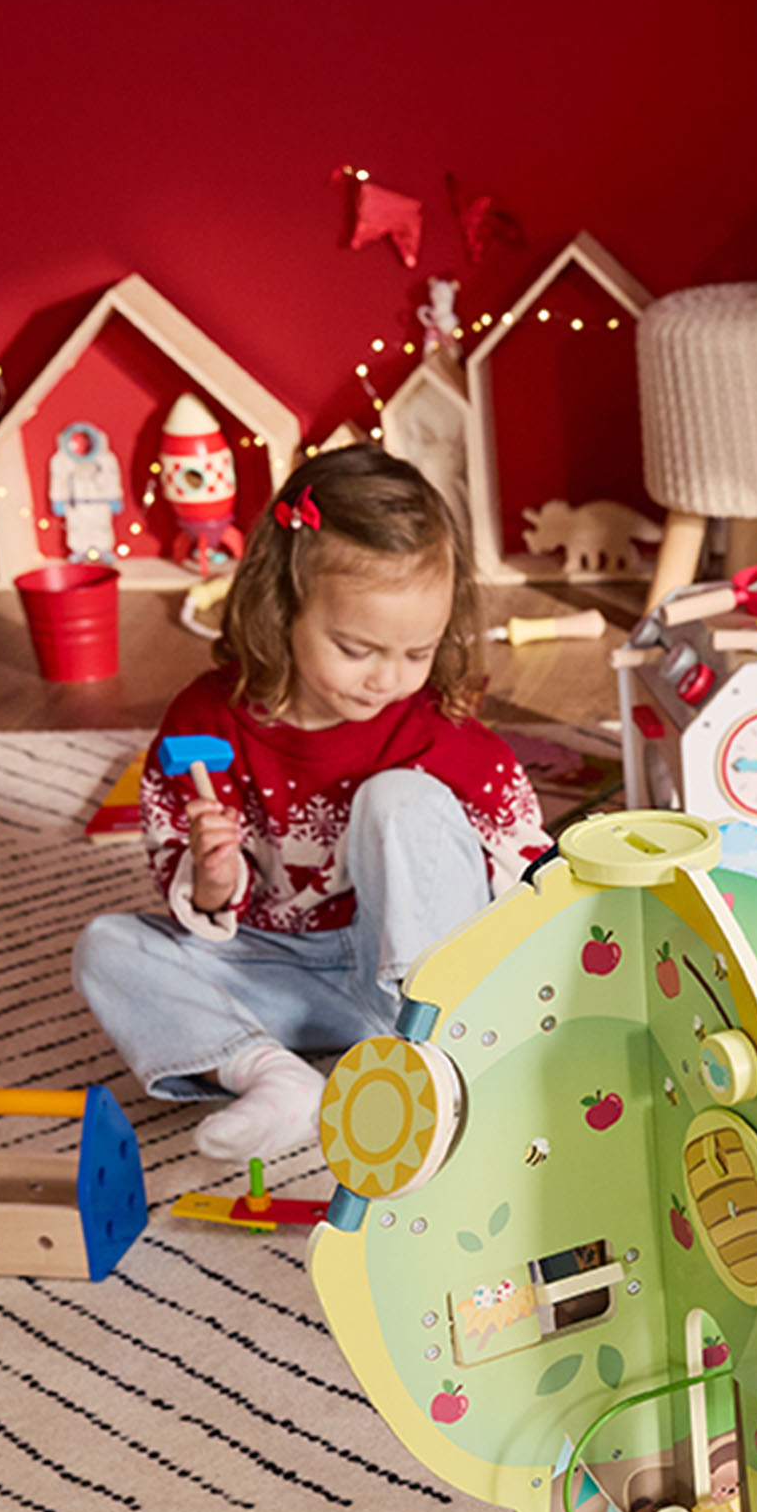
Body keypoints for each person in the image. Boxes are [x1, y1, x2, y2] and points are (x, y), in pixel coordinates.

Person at [74, 445, 547, 1165]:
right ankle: (275, 1078)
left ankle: (438, 1051)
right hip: (277, 972)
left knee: (403, 801)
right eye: (356, 649)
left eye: (416, 652)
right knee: (107, 949)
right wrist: (211, 876)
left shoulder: (435, 729)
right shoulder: (208, 721)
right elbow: (188, 886)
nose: (387, 679)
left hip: (408, 980)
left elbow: (526, 855)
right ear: (284, 605)